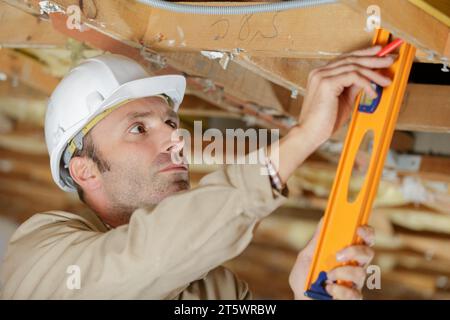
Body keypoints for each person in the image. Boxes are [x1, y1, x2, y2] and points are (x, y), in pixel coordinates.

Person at [0, 45, 393, 299]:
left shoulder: (214, 292)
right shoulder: (41, 257)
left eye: (171, 124)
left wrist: (307, 296)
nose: (175, 140)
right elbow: (140, 261)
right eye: (139, 128)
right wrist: (304, 137)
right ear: (85, 171)